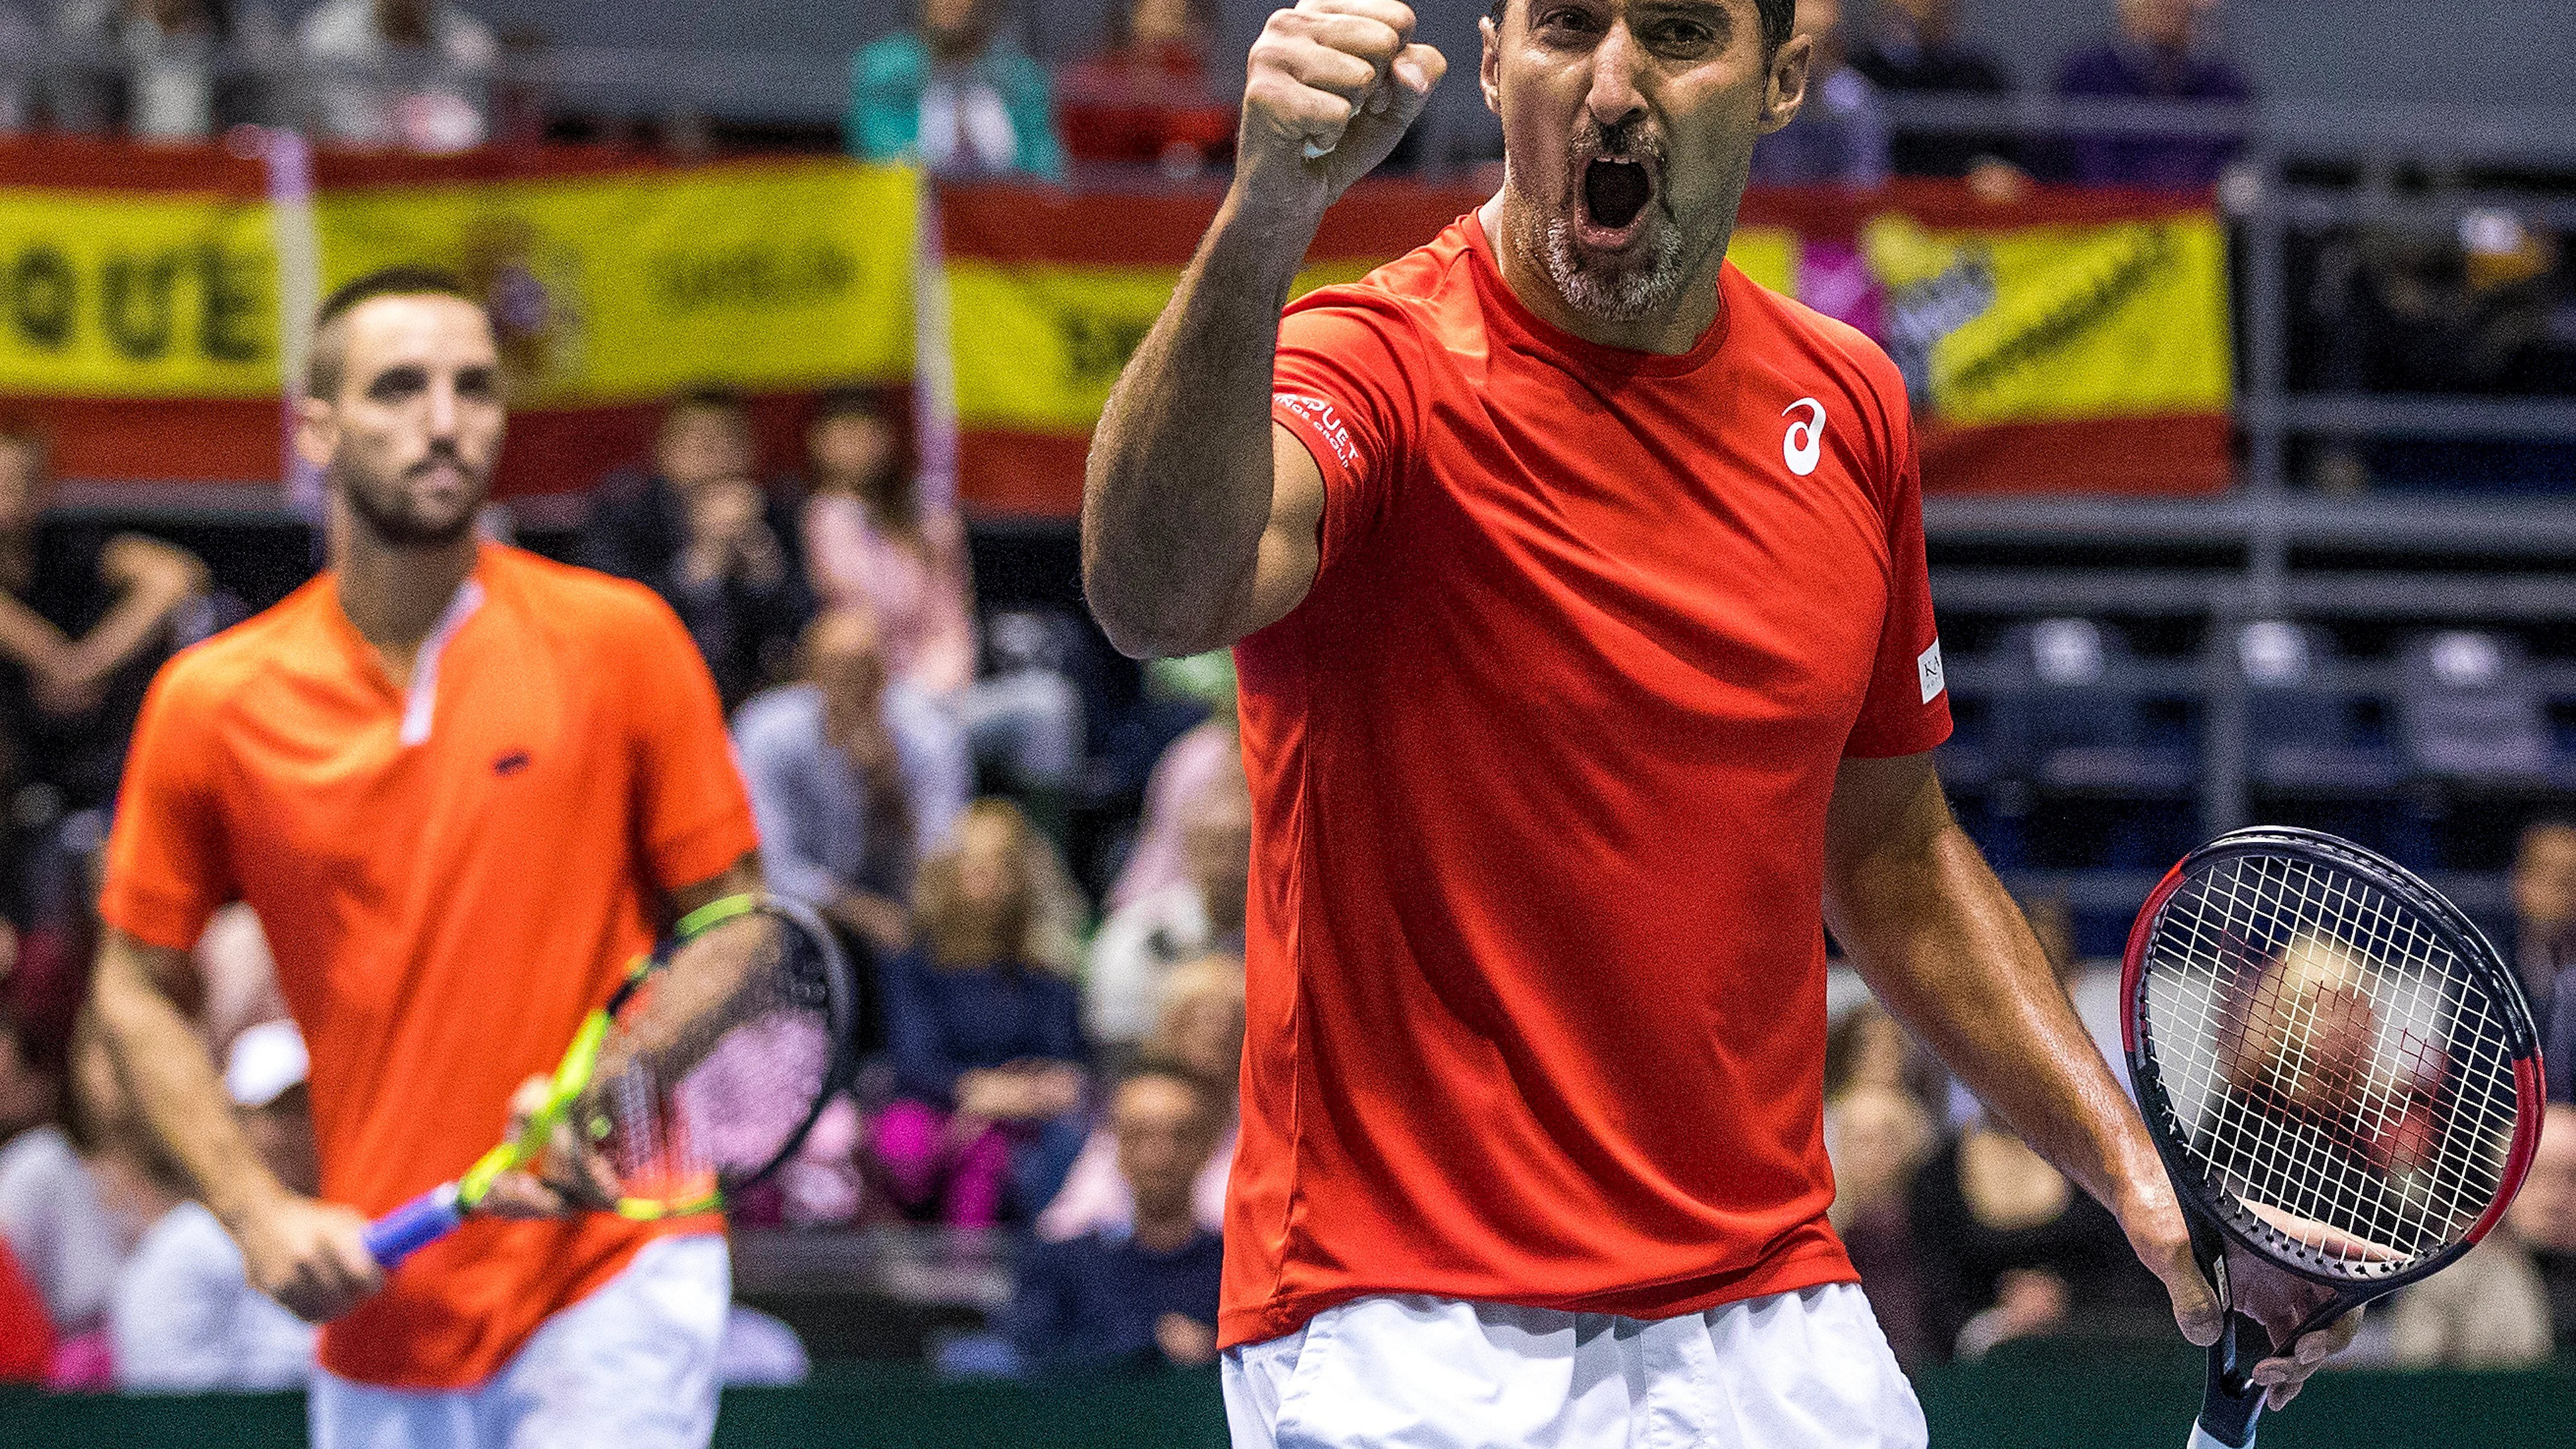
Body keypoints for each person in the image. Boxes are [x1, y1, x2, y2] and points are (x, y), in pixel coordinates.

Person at [1079, 3, 2356, 1443]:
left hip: (1770, 1313)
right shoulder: (1375, 366)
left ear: (1782, 83)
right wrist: (1266, 219)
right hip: (1408, 1323)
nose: (1614, 86)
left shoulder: (1848, 404)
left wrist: (2135, 1171)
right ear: (1495, 63)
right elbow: (1152, 593)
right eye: (1566, 27)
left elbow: (1892, 857)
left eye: (1679, 33)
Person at [88, 265, 763, 1449]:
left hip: (609, 1265)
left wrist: (612, 1084)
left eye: (474, 388)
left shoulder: (623, 641)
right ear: (317, 428)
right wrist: (255, 1212)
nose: (445, 420)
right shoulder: (214, 700)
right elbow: (130, 984)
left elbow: (739, 928)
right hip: (380, 1288)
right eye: (400, 388)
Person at [802, 390, 1084, 838]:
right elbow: (856, 610)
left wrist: (942, 683)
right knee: (929, 733)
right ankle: (945, 884)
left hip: (944, 692)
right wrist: (853, 517)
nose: (856, 443)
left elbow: (953, 621)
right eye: (842, 431)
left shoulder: (929, 521)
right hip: (871, 704)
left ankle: (1041, 867)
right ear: (818, 443)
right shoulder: (818, 519)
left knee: (1049, 706)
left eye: (866, 430)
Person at [874, 799, 1089, 1228]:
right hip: (934, 1106)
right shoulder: (914, 966)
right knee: (909, 1144)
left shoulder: (1045, 975)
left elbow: (1066, 1068)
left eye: (1000, 864)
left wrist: (1002, 1101)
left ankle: (973, 1280)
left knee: (993, 1150)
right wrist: (972, 1094)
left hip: (1022, 1118)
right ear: (947, 871)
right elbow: (914, 1060)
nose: (985, 877)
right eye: (971, 862)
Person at [734, 609, 972, 965]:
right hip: (803, 918)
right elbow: (775, 866)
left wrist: (887, 786)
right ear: (809, 673)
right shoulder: (766, 732)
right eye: (837, 670)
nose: (852, 686)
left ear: (885, 670)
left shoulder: (930, 735)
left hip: (906, 915)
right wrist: (863, 912)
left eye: (864, 670)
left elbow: (941, 860)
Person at [0, 421, 208, 815]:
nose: (6, 499)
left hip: (94, 746)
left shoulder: (68, 545)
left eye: (15, 485)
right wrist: (58, 664)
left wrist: (90, 665)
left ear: (40, 492)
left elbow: (175, 575)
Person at [108, 1020, 319, 1391]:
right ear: (236, 1123)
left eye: (306, 1106)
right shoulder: (186, 1244)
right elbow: (167, 1401)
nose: (296, 1126)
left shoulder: (353, 1219)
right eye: (276, 1110)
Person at [579, 386, 813, 711]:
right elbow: (606, 617)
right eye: (695, 440)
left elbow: (806, 627)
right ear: (664, 451)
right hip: (651, 692)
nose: (711, 454)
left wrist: (766, 575)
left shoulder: (776, 512)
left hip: (758, 703)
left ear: (750, 450)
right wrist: (699, 566)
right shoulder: (625, 511)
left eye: (726, 439)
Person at [1007, 1065, 1225, 1372]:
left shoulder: (1239, 1266)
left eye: (1180, 1135)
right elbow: (1030, 1353)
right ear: (1117, 1147)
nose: (1161, 1154)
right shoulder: (1066, 1264)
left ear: (1208, 1148)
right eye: (1142, 1135)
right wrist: (1150, 1344)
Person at [1905, 1111, 2163, 1360]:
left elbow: (2138, 1274)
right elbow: (1935, 1297)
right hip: (1986, 1375)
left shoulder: (2102, 1160)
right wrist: (2000, 1320)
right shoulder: (1937, 1176)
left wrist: (2064, 1296)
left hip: (2105, 1356)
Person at [1040, 953, 1241, 1242]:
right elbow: (1068, 1224)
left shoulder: (1265, 1124)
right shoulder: (1136, 1111)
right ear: (1171, 1025)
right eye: (1201, 1015)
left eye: (1234, 1019)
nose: (1218, 1031)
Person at [1084, 757, 1248, 1053]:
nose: (1229, 864)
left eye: (1242, 847)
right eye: (1215, 847)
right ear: (1189, 850)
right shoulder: (1134, 935)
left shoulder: (1290, 940)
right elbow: (1118, 1049)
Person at [847, 0, 1064, 180]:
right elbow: (879, 158)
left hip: (1006, 219)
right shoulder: (883, 71)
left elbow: (1048, 172)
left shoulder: (1022, 79)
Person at [2052, 0, 2250, 191]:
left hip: (2190, 219)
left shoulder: (2224, 86)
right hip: (2097, 219)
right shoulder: (2083, 77)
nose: (2166, 3)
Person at [1848, 0, 2022, 185]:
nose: (1920, 9)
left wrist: (1994, 170)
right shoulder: (1857, 74)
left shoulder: (1980, 75)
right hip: (1876, 203)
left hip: (1957, 205)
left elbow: (2008, 160)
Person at [1059, 0, 1236, 175]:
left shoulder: (1194, 85)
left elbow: (1200, 140)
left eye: (1178, 9)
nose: (1170, 11)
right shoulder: (1093, 83)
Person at [296, 0, 496, 152]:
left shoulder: (470, 48)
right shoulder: (329, 41)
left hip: (440, 184)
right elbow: (340, 136)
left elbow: (470, 138)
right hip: (354, 182)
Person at [1747, 0, 1885, 187]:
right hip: (1767, 210)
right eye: (1792, 52)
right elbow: (1751, 186)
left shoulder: (1853, 100)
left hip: (1834, 210)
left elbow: (1863, 186)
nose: (1804, 62)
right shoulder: (1757, 97)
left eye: (1816, 48)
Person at [2509, 817, 2576, 1027]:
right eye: (2543, 873)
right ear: (2518, 879)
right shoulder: (2478, 973)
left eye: (2568, 879)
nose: (2556, 892)